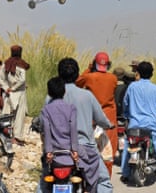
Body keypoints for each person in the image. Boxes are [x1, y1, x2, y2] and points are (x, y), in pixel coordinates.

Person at [48, 57, 114, 193]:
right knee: (103, 181)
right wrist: (109, 124)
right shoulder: (87, 96)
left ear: (59, 74)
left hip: (57, 150)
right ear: (77, 75)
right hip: (85, 149)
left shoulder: (51, 97)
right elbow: (101, 119)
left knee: (44, 180)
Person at [120, 61, 156, 184]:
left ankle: (125, 174)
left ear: (138, 73)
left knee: (127, 145)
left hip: (134, 125)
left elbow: (125, 103)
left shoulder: (132, 87)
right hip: (152, 126)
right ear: (151, 74)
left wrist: (126, 114)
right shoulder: (155, 89)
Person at [75, 51, 117, 176]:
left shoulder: (89, 77)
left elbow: (77, 81)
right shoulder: (113, 78)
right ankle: (106, 183)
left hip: (92, 118)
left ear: (95, 64)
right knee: (108, 154)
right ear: (108, 64)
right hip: (108, 118)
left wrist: (89, 68)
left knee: (88, 151)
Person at [41, 76, 79, 193]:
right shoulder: (71, 108)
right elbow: (73, 129)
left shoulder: (46, 110)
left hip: (54, 158)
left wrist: (48, 151)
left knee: (43, 183)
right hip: (70, 156)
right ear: (64, 91)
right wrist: (75, 150)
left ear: (49, 92)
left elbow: (46, 131)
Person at [0, 45, 30, 146]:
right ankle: (16, 137)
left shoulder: (5, 64)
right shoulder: (21, 65)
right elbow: (22, 80)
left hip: (8, 93)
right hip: (19, 93)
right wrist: (14, 88)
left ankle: (6, 136)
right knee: (19, 116)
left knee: (7, 115)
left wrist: (7, 87)